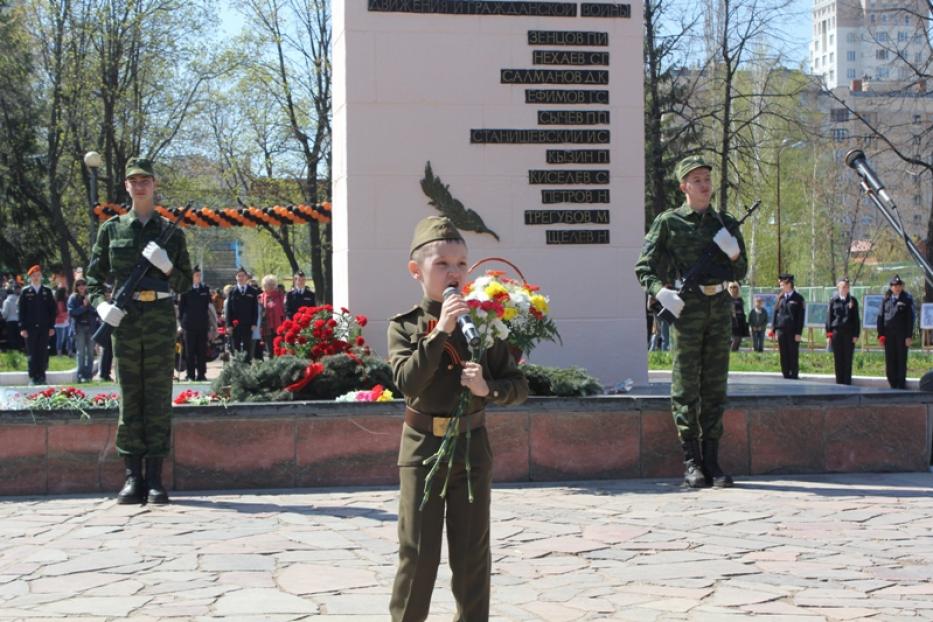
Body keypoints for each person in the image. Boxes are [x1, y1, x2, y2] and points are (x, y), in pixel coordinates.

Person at [388, 216, 528, 621]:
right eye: (443, 264)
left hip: (471, 448)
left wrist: (490, 390)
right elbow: (406, 382)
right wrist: (441, 330)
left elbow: (518, 385)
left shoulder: (484, 324)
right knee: (419, 554)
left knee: (471, 557)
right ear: (416, 270)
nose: (455, 273)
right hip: (423, 450)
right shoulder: (405, 326)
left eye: (462, 264)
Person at [635, 155, 747, 489]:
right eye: (696, 179)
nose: (704, 184)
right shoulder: (669, 223)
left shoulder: (724, 223)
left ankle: (712, 461)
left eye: (707, 178)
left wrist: (735, 255)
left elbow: (740, 272)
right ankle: (691, 461)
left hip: (718, 309)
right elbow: (644, 267)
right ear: (684, 186)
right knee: (686, 384)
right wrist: (660, 291)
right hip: (687, 309)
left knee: (715, 384)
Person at [87, 157, 192, 505]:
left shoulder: (172, 233)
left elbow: (185, 284)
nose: (140, 185)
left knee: (158, 397)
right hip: (126, 320)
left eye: (146, 179)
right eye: (134, 180)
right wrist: (103, 307)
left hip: (160, 318)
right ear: (126, 186)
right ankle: (133, 477)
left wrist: (167, 265)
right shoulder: (112, 229)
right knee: (130, 396)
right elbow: (92, 279)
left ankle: (155, 478)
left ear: (154, 183)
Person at [18, 265, 57, 384]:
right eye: (33, 276)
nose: (36, 278)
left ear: (41, 277)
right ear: (30, 277)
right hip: (30, 328)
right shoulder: (25, 292)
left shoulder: (47, 291)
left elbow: (52, 310)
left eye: (38, 275)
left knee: (43, 351)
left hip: (44, 327)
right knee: (32, 352)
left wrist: (51, 326)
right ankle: (33, 376)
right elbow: (21, 311)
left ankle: (42, 375)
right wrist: (23, 327)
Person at [877, 274, 914, 389]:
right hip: (889, 336)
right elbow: (881, 317)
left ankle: (901, 385)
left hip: (901, 336)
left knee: (901, 360)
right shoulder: (886, 300)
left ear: (901, 286)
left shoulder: (907, 300)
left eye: (898, 285)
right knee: (890, 360)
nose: (897, 287)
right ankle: (892, 383)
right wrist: (881, 335)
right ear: (891, 287)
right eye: (894, 285)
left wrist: (908, 336)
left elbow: (910, 319)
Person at [178, 265, 211, 381]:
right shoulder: (185, 290)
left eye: (199, 275)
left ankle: (201, 374)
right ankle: (190, 374)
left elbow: (207, 307)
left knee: (202, 351)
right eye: (196, 275)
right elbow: (181, 309)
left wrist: (210, 326)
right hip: (189, 325)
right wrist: (181, 325)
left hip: (202, 325)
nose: (199, 277)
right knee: (189, 351)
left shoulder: (205, 289)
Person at [826, 277, 860, 385]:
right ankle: (839, 382)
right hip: (836, 333)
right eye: (842, 287)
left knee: (848, 358)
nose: (844, 289)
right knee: (838, 358)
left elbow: (856, 319)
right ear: (838, 287)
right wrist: (829, 334)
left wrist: (856, 334)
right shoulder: (833, 301)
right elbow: (829, 318)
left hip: (849, 333)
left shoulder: (853, 301)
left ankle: (847, 382)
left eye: (846, 287)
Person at [771, 273, 805, 379]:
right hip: (781, 330)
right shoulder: (780, 298)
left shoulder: (798, 298)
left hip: (793, 331)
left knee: (793, 353)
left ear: (789, 284)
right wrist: (773, 329)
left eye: (782, 285)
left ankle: (794, 375)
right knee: (783, 354)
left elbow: (800, 317)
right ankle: (785, 374)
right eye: (780, 285)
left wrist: (799, 333)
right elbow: (775, 314)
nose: (781, 287)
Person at [225, 267, 259, 362]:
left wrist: (254, 323)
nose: (241, 278)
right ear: (236, 277)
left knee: (247, 347)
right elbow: (228, 310)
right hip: (235, 324)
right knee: (235, 347)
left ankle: (247, 368)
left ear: (246, 277)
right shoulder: (232, 292)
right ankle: (237, 368)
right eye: (239, 276)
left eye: (243, 276)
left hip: (248, 324)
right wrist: (229, 325)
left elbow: (255, 309)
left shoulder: (252, 291)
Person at [67, 279, 96, 382]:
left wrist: (88, 305)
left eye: (83, 284)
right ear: (76, 286)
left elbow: (96, 311)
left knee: (91, 353)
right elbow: (72, 312)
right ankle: (80, 375)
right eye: (79, 285)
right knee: (81, 352)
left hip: (91, 327)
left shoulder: (91, 296)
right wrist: (83, 307)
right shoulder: (73, 298)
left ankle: (88, 375)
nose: (81, 287)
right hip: (79, 328)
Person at [259, 274, 285, 357]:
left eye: (273, 284)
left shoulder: (281, 296)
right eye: (268, 284)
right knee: (270, 352)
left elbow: (284, 311)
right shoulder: (260, 297)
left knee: (279, 350)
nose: (271, 286)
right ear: (264, 285)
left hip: (279, 327)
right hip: (266, 328)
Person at [729, 282, 747, 352]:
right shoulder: (728, 298)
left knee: (739, 339)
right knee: (735, 339)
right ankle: (732, 353)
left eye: (734, 287)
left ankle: (734, 353)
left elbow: (742, 310)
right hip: (732, 321)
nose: (733, 289)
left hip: (740, 321)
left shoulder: (740, 299)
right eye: (731, 287)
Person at [2, 286, 21, 351]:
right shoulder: (19, 300)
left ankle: (13, 349)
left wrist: (4, 317)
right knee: (18, 336)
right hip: (18, 320)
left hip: (10, 321)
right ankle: (19, 349)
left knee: (11, 336)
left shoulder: (6, 301)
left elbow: (5, 313)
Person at [53, 286, 70, 355]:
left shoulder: (64, 301)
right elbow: (61, 313)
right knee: (60, 339)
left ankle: (67, 351)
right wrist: (68, 313)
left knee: (67, 338)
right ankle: (59, 352)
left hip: (65, 321)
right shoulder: (59, 302)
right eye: (65, 292)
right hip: (59, 322)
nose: (66, 293)